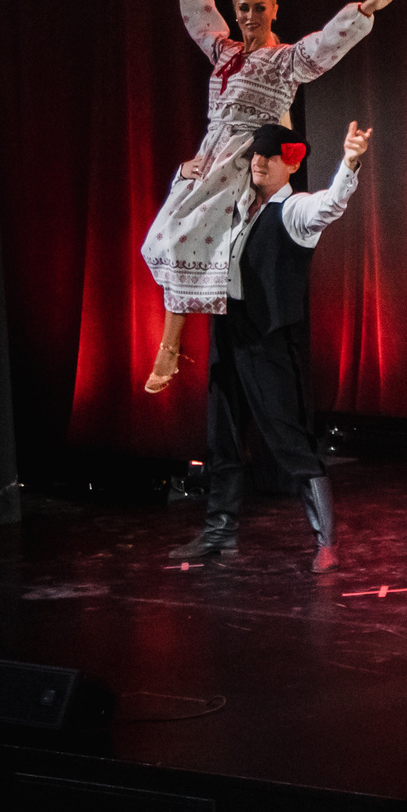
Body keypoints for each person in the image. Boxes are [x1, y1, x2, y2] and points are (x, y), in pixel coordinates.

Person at [142, 0, 407, 393]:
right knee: (164, 237)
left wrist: (365, 10)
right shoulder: (225, 51)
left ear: (274, 11)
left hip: (247, 157)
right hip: (210, 153)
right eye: (243, 8)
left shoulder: (285, 60)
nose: (250, 16)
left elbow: (322, 46)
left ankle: (170, 347)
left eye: (259, 9)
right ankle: (180, 345)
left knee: (182, 236)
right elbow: (202, 27)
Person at [169, 120, 374, 571]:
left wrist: (350, 162)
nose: (258, 162)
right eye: (256, 155)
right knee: (222, 435)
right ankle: (220, 533)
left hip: (269, 340)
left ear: (290, 162)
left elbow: (331, 204)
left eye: (269, 156)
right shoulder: (240, 206)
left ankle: (326, 542)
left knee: (288, 438)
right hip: (230, 331)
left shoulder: (294, 210)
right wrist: (182, 178)